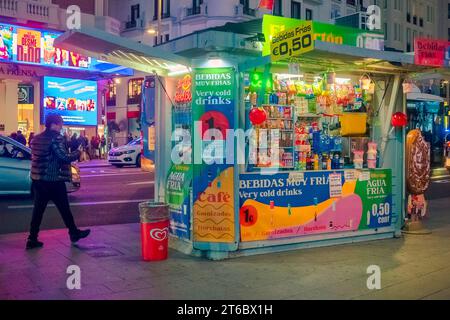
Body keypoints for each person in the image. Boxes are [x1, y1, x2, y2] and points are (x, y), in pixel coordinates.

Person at [27, 113, 90, 249]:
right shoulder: (55, 138)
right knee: (64, 209)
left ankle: (32, 239)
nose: (61, 126)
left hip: (38, 179)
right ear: (54, 124)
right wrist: (78, 153)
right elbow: (63, 157)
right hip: (53, 179)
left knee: (38, 211)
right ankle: (73, 233)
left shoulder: (36, 138)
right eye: (60, 123)